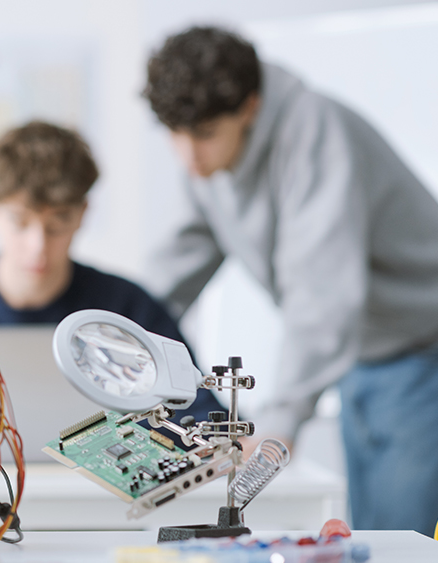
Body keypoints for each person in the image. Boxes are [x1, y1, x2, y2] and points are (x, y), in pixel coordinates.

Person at [142, 26, 438, 534]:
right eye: (176, 135)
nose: (189, 158)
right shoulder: (209, 162)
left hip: (420, 350)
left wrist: (280, 421)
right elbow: (177, 264)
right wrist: (116, 343)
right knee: (366, 527)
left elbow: (322, 296)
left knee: (396, 537)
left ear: (249, 107)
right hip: (364, 356)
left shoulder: (314, 134)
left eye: (205, 135)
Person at [0, 121, 223, 454]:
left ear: (82, 213)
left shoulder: (129, 308)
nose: (37, 244)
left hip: (99, 512)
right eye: (20, 222)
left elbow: (200, 415)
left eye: (58, 222)